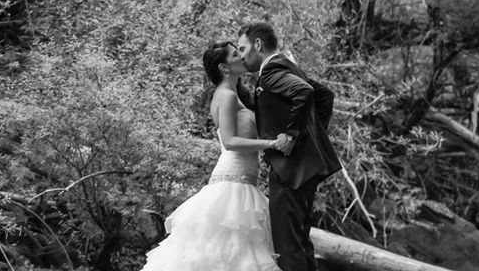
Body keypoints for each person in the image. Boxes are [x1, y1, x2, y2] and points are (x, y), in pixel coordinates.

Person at [140, 41, 288, 271]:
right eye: (234, 54)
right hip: (233, 182)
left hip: (244, 180)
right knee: (226, 252)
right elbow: (229, 142)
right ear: (224, 68)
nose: (241, 56)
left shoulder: (235, 94)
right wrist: (273, 144)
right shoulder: (227, 96)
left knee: (235, 255)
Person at [237, 22, 342, 271]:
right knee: (300, 243)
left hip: (290, 172)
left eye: (242, 48)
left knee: (287, 247)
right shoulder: (287, 66)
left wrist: (293, 136)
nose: (241, 55)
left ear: (258, 45)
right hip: (304, 169)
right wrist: (311, 140)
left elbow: (305, 92)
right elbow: (324, 95)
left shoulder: (272, 72)